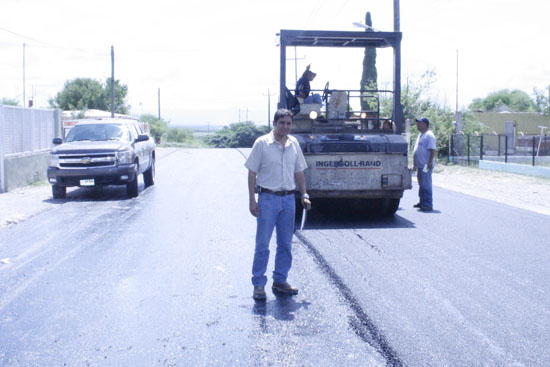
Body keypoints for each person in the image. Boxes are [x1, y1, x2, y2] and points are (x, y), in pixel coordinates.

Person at [245, 109, 312, 300]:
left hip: (288, 200)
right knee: (263, 244)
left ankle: (280, 280)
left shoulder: (293, 144)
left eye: (289, 123)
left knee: (285, 244)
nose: (285, 126)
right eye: (282, 122)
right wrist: (252, 200)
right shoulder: (262, 144)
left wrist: (304, 194)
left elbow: (299, 171)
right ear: (274, 123)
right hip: (267, 199)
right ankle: (258, 284)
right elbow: (252, 173)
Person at [413, 117, 437, 211]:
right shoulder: (421, 135)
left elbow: (432, 149)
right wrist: (415, 164)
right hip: (420, 165)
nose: (418, 124)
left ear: (425, 124)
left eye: (420, 123)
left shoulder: (429, 135)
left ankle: (427, 203)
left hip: (426, 165)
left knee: (426, 184)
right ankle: (422, 201)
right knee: (421, 184)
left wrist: (430, 162)